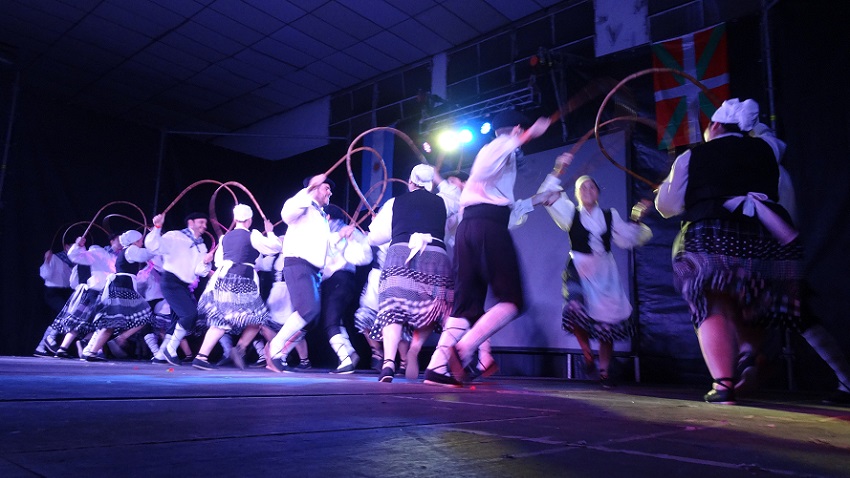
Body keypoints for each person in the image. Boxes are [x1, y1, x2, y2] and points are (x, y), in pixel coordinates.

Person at [655, 98, 804, 404]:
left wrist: (672, 192)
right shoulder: (768, 148)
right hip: (761, 235)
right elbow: (769, 139)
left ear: (717, 125)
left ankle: (723, 383)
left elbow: (667, 207)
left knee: (710, 301)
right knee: (752, 298)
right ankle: (749, 353)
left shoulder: (691, 157)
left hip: (709, 235)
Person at [425, 109, 552, 386]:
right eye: (520, 131)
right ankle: (465, 349)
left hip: (471, 228)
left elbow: (506, 206)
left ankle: (436, 367)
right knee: (512, 300)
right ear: (516, 129)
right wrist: (532, 132)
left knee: (465, 306)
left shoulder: (500, 158)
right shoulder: (498, 147)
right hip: (486, 228)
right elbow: (499, 159)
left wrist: (541, 198)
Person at [538, 153, 653, 387]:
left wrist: (637, 219)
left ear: (598, 192)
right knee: (575, 308)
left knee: (606, 323)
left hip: (604, 272)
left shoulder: (611, 215)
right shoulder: (571, 213)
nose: (587, 190)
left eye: (591, 187)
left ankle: (604, 371)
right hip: (579, 267)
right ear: (577, 194)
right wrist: (559, 168)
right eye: (582, 187)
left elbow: (627, 238)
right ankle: (587, 354)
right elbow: (547, 195)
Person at [367, 164, 453, 382]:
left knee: (393, 306)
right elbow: (456, 204)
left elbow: (375, 238)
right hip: (435, 253)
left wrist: (373, 226)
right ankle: (415, 348)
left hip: (400, 253)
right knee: (434, 304)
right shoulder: (445, 200)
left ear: (410, 182)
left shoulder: (394, 203)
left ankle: (388, 362)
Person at [268, 174, 354, 370]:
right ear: (314, 188)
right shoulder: (302, 204)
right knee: (308, 310)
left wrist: (340, 236)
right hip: (298, 263)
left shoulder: (319, 214)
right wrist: (307, 191)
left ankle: (278, 351)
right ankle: (275, 348)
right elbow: (286, 213)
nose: (330, 192)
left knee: (311, 314)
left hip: (313, 269)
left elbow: (323, 245)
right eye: (326, 188)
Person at [192, 204, 281, 370]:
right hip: (241, 279)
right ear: (249, 220)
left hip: (223, 277)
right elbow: (275, 247)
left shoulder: (225, 237)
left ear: (235, 219)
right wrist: (269, 231)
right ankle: (236, 349)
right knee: (256, 318)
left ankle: (204, 356)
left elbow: (218, 262)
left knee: (225, 318)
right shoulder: (253, 235)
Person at [144, 212, 213, 366]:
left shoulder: (201, 244)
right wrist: (157, 227)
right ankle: (170, 349)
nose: (204, 226)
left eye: (205, 223)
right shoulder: (175, 236)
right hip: (171, 282)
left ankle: (162, 354)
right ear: (191, 222)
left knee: (178, 321)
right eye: (201, 222)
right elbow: (154, 246)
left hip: (183, 286)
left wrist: (206, 263)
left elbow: (199, 270)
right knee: (190, 315)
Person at [84, 230, 156, 361]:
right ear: (134, 241)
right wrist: (156, 242)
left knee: (114, 321)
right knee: (144, 315)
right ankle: (109, 343)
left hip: (122, 285)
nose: (141, 243)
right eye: (140, 241)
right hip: (123, 286)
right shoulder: (131, 250)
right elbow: (146, 254)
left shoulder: (127, 251)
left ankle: (92, 351)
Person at [51, 233, 122, 358]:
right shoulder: (98, 251)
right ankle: (93, 350)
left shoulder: (119, 256)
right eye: (119, 239)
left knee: (83, 321)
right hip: (93, 290)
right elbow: (75, 256)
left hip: (102, 292)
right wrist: (78, 245)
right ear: (112, 241)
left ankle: (65, 348)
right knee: (101, 320)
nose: (121, 242)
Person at [321, 212, 372, 374]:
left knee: (331, 323)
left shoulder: (345, 231)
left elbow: (365, 258)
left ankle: (345, 360)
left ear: (327, 216)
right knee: (337, 321)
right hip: (341, 282)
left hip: (340, 279)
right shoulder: (328, 232)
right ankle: (350, 353)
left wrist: (351, 240)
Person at [34, 240, 74, 357]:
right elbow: (45, 275)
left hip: (65, 292)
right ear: (66, 246)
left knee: (60, 318)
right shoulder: (55, 257)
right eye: (73, 245)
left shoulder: (76, 260)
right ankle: (50, 339)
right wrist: (47, 260)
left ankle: (40, 347)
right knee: (64, 313)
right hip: (52, 292)